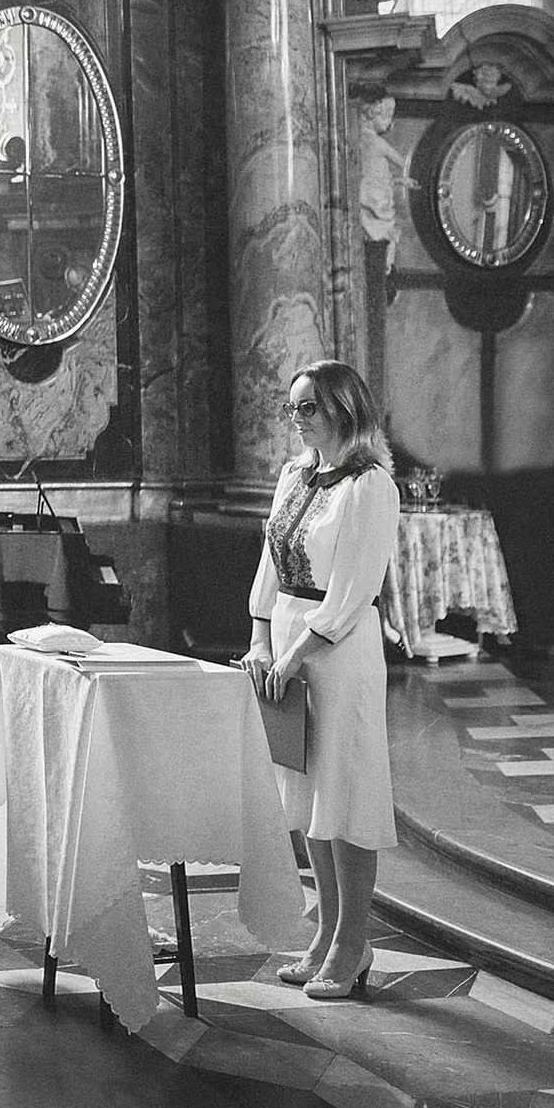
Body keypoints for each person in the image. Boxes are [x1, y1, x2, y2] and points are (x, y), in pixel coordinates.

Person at [240, 359, 400, 1001]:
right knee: (309, 800)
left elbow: (355, 592)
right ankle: (327, 933)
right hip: (287, 643)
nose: (297, 419)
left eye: (308, 407)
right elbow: (269, 566)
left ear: (342, 408)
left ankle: (352, 942)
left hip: (338, 654)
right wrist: (261, 641)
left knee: (346, 795)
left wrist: (298, 653)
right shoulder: (294, 475)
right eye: (293, 408)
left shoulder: (370, 486)